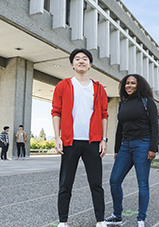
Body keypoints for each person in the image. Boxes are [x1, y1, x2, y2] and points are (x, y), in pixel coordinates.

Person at [51, 48, 108, 227]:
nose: (81, 61)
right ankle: (63, 221)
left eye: (85, 59)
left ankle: (100, 220)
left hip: (93, 142)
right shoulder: (63, 85)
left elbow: (104, 115)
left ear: (90, 64)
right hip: (70, 141)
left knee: (96, 184)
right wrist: (57, 137)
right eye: (77, 59)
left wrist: (103, 139)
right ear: (72, 64)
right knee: (65, 183)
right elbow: (56, 112)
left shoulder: (98, 88)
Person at [105, 74, 159, 227]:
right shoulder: (123, 103)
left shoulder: (147, 101)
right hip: (125, 146)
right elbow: (119, 128)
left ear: (139, 85)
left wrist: (152, 148)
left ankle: (141, 218)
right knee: (114, 181)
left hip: (143, 144)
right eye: (127, 83)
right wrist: (116, 150)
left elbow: (154, 125)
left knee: (142, 183)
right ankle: (117, 215)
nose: (129, 86)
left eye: (132, 83)